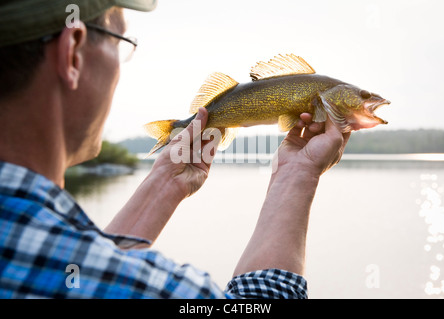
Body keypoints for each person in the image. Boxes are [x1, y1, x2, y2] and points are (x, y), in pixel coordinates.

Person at [0, 0, 350, 298]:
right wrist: (296, 174)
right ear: (72, 53)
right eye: (122, 40)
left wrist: (165, 184)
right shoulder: (166, 290)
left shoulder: (39, 251)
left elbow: (88, 270)